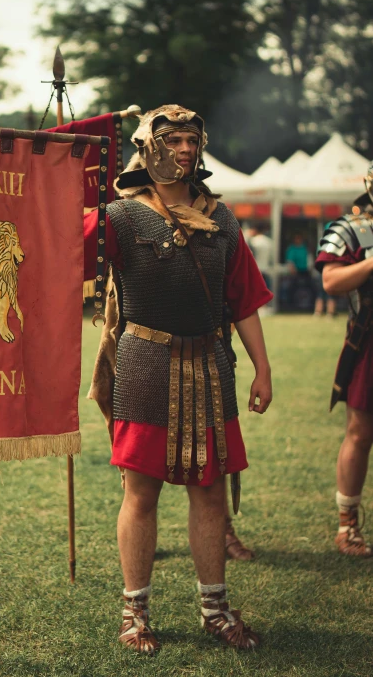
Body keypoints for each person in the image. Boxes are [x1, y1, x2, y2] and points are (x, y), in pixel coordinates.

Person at [84, 105, 273, 655]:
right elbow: (63, 251)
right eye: (174, 141)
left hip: (210, 366)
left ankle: (215, 609)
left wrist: (262, 366)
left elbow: (244, 301)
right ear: (149, 148)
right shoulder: (120, 217)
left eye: (193, 140)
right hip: (146, 363)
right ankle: (135, 612)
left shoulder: (224, 220)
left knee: (209, 491)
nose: (186, 150)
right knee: (140, 494)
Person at [315, 163, 373, 558]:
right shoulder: (353, 229)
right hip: (369, 341)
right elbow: (332, 281)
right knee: (360, 431)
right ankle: (347, 525)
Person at [248, 223, 273, 291]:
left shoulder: (252, 241)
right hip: (265, 270)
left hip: (255, 271)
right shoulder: (269, 242)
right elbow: (271, 258)